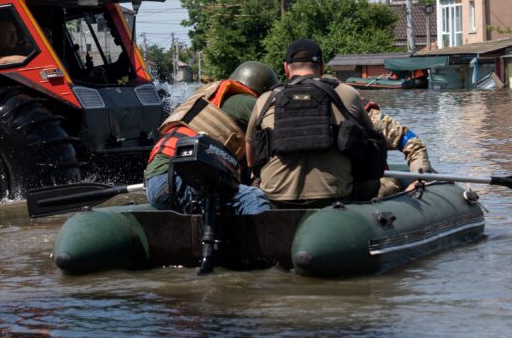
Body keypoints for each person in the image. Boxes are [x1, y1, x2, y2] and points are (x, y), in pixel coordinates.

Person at [246, 38, 385, 208]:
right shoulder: (348, 93)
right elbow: (373, 142)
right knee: (373, 181)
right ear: (322, 67)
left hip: (276, 197)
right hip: (335, 196)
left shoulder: (264, 100)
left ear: (286, 68)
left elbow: (251, 159)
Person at [144, 61, 279, 216]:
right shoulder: (248, 103)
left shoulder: (210, 96)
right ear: (263, 91)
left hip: (157, 180)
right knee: (253, 198)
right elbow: (283, 124)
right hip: (177, 179)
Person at [357, 99, 434, 200]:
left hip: (371, 182)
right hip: (337, 185)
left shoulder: (369, 116)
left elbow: (413, 144)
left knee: (386, 186)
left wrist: (420, 178)